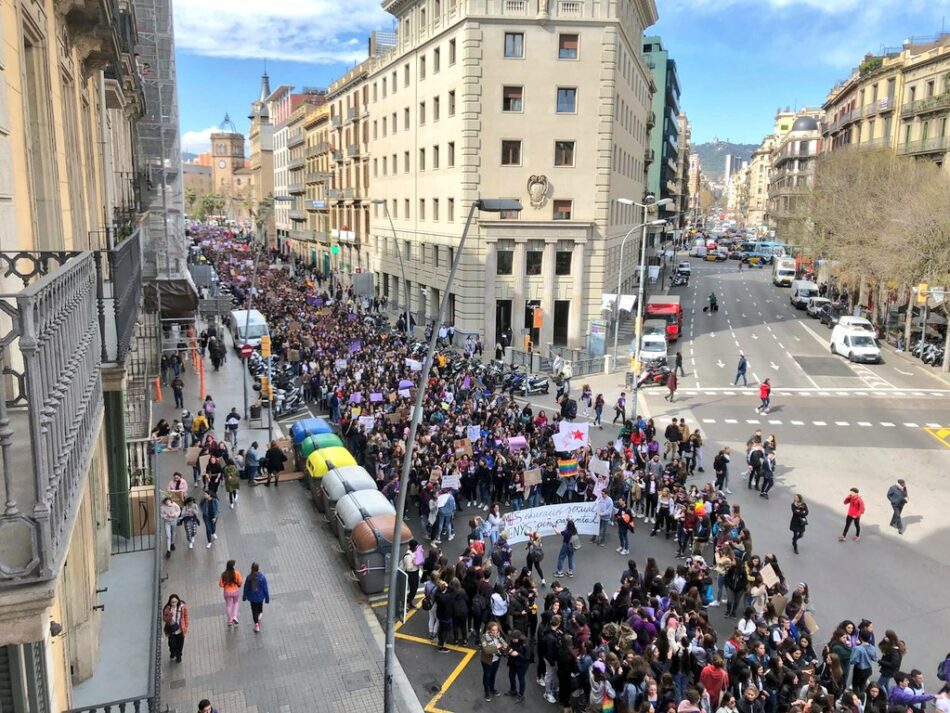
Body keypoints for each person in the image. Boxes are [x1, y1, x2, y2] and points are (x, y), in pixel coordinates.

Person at [480, 621, 507, 702]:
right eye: (493, 630)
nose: (496, 632)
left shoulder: (498, 635)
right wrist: (497, 646)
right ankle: (486, 692)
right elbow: (486, 650)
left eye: (496, 630)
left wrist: (504, 646)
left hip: (496, 659)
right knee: (487, 676)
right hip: (487, 661)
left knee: (493, 675)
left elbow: (503, 643)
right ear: (489, 630)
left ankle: (492, 689)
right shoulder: (484, 637)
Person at [242, 562, 271, 633]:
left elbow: (246, 588)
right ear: (258, 568)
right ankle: (260, 614)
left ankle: (256, 625)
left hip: (252, 597)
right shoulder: (262, 577)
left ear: (251, 568)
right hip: (261, 597)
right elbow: (265, 589)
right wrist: (267, 598)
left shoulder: (249, 577)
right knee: (260, 606)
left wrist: (244, 596)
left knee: (254, 609)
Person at [162, 593, 189, 663]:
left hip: (180, 630)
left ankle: (179, 655)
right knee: (172, 644)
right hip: (171, 630)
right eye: (172, 602)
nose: (173, 603)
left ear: (178, 601)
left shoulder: (182, 607)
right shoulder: (167, 608)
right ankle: (172, 651)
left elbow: (186, 616)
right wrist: (169, 616)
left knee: (180, 644)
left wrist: (186, 625)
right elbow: (164, 618)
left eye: (175, 602)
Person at [505, 628, 530, 702]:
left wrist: (518, 654)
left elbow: (527, 657)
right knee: (511, 676)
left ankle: (521, 695)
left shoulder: (526, 644)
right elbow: (510, 648)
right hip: (513, 663)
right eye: (512, 638)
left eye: (514, 639)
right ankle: (513, 690)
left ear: (518, 638)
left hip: (522, 665)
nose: (512, 640)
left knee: (521, 679)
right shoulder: (513, 641)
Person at [218, 559, 243, 626]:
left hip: (227, 592)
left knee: (228, 605)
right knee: (236, 603)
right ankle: (235, 616)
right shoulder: (237, 573)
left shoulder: (224, 574)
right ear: (233, 566)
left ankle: (229, 620)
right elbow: (240, 582)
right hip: (235, 591)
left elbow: (220, 584)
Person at [401, 539, 423, 610]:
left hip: (415, 572)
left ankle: (410, 602)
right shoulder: (408, 556)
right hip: (411, 574)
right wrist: (414, 563)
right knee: (413, 589)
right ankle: (406, 602)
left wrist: (418, 561)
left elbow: (420, 560)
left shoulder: (416, 553)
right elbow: (408, 568)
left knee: (415, 588)